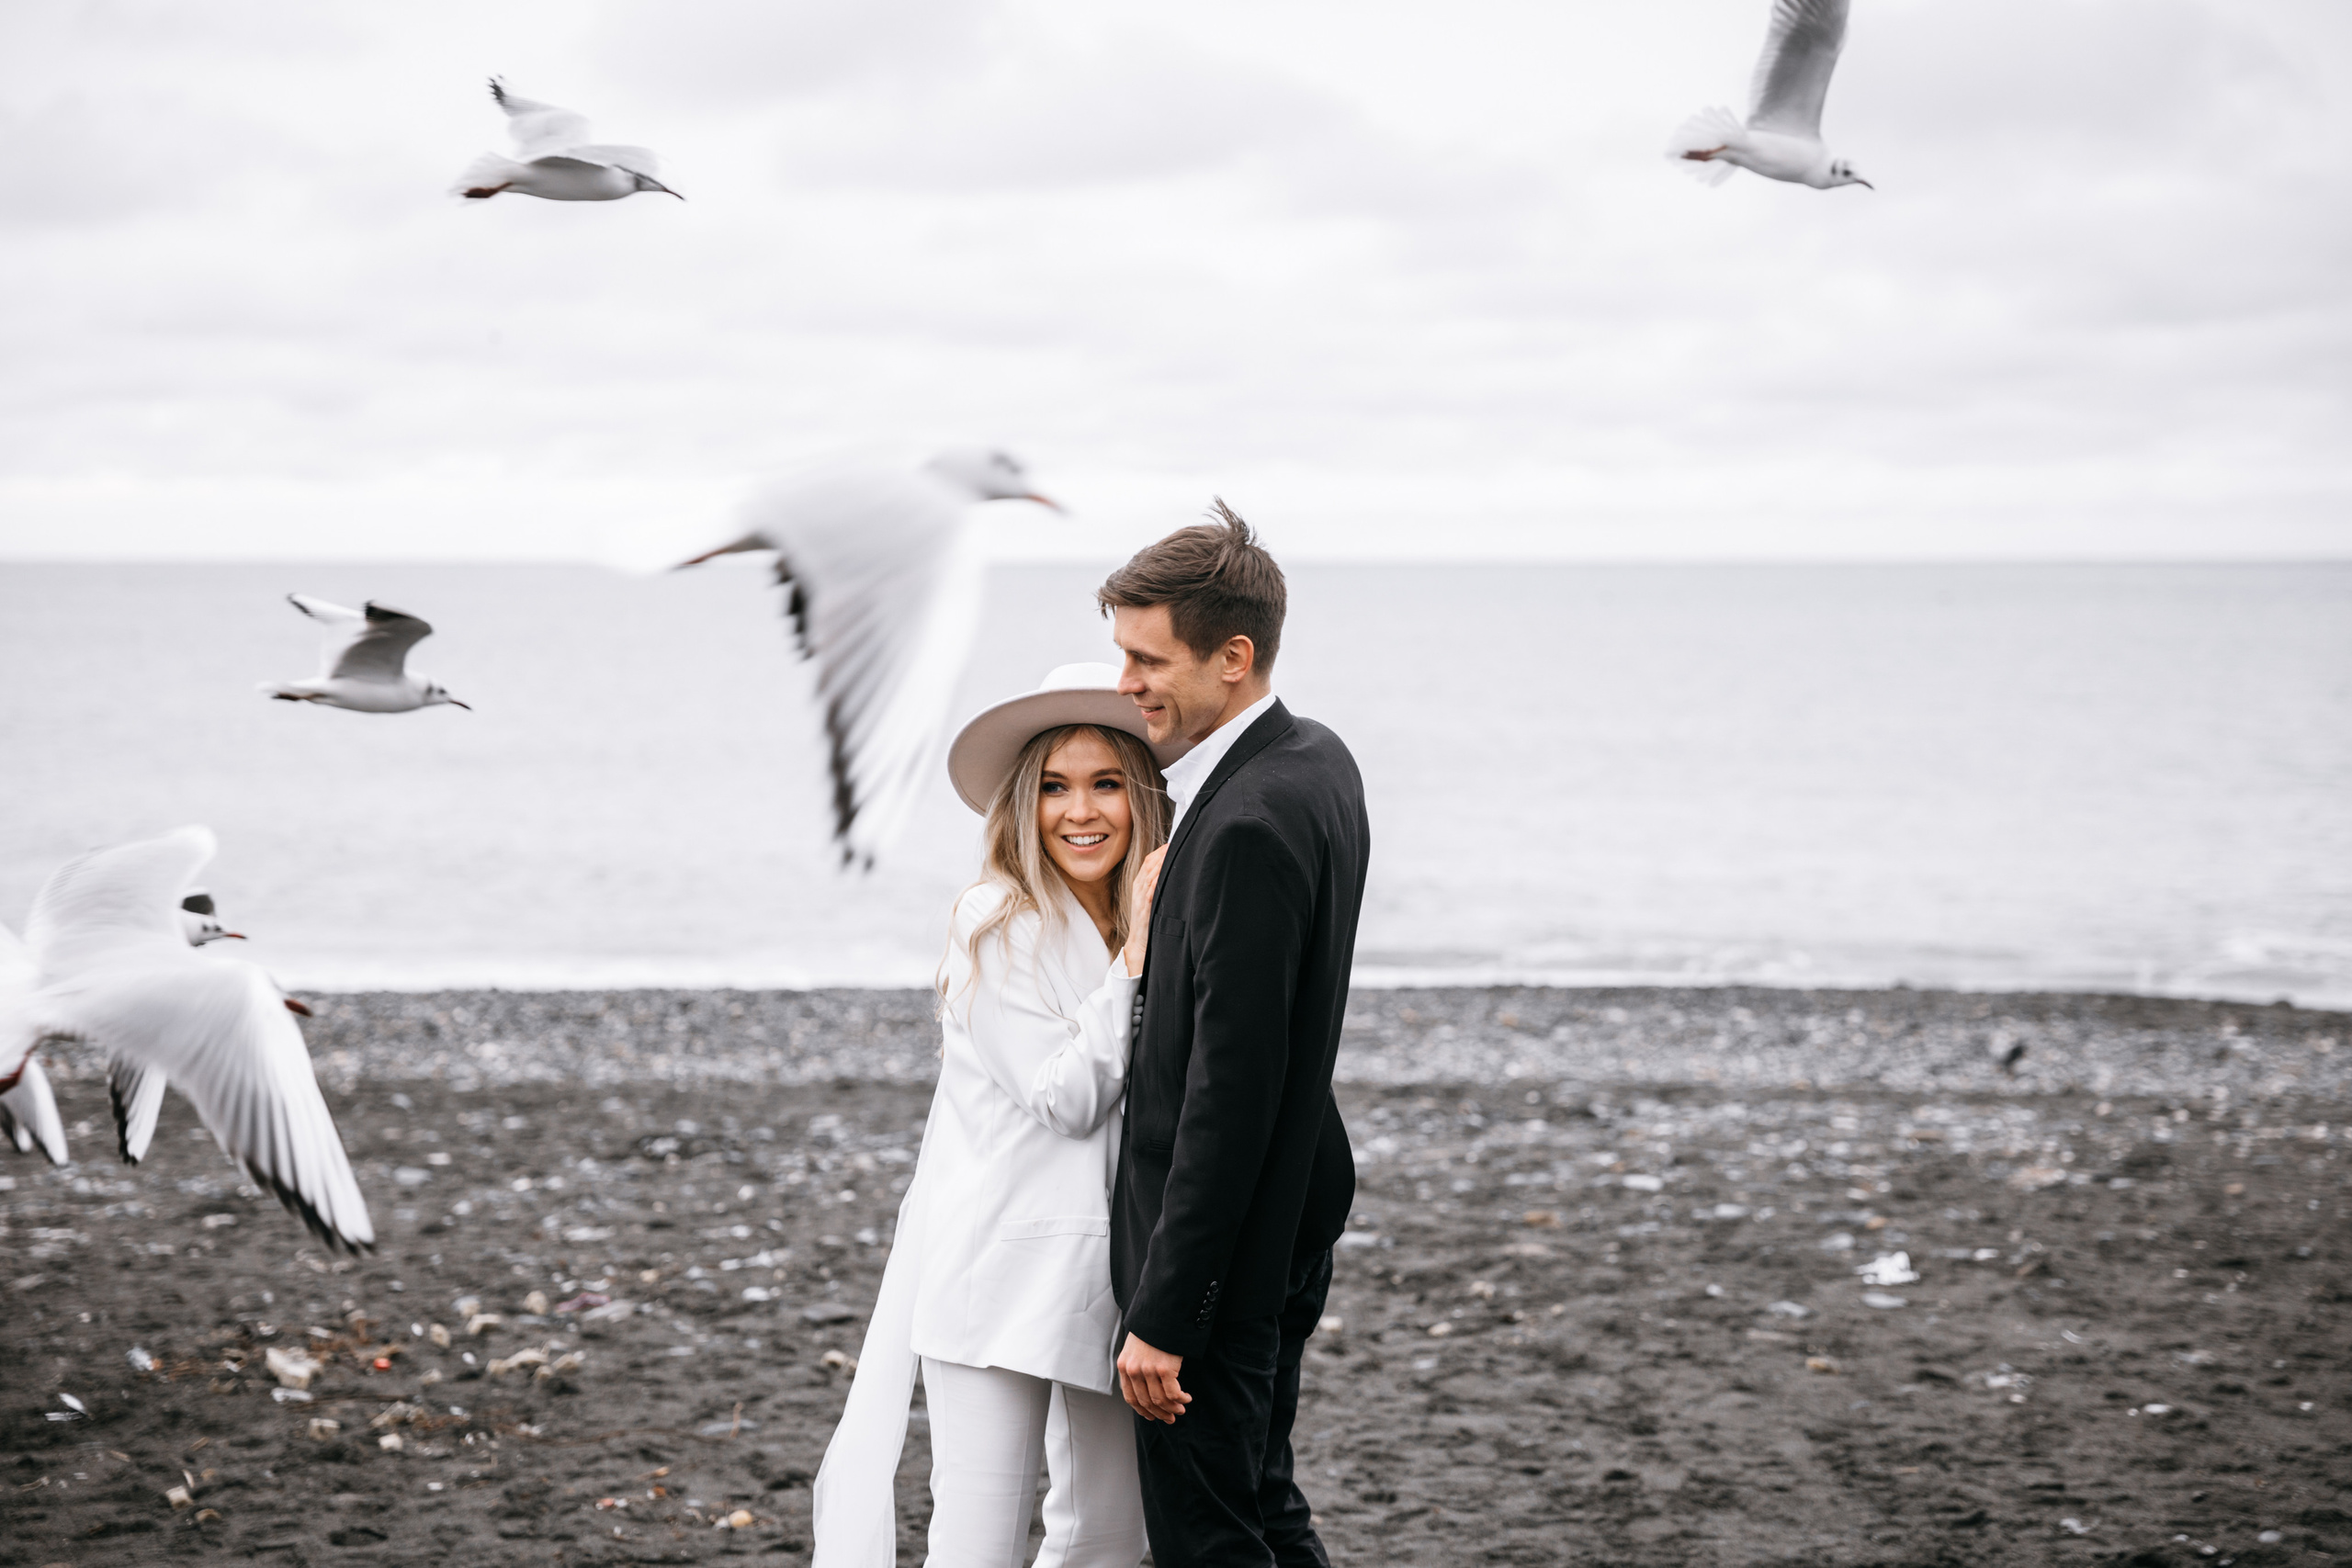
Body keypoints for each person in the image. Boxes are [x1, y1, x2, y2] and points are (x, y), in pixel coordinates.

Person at [811, 663, 1187, 1568]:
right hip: (992, 1270)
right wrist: (1137, 955)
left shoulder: (1157, 925)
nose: (1080, 811)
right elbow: (1066, 1096)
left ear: (1140, 797)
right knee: (976, 1547)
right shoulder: (993, 921)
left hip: (1107, 1277)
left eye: (1105, 783)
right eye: (1054, 787)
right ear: (1024, 803)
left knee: (1108, 1540)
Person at [1100, 503, 1370, 1568]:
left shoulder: (1248, 825)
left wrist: (1169, 1315)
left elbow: (1229, 1091)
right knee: (1261, 1501)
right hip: (1295, 1206)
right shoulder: (1318, 760)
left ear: (1234, 657)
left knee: (1212, 1538)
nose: (1125, 684)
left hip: (1231, 1252)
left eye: (1146, 658)